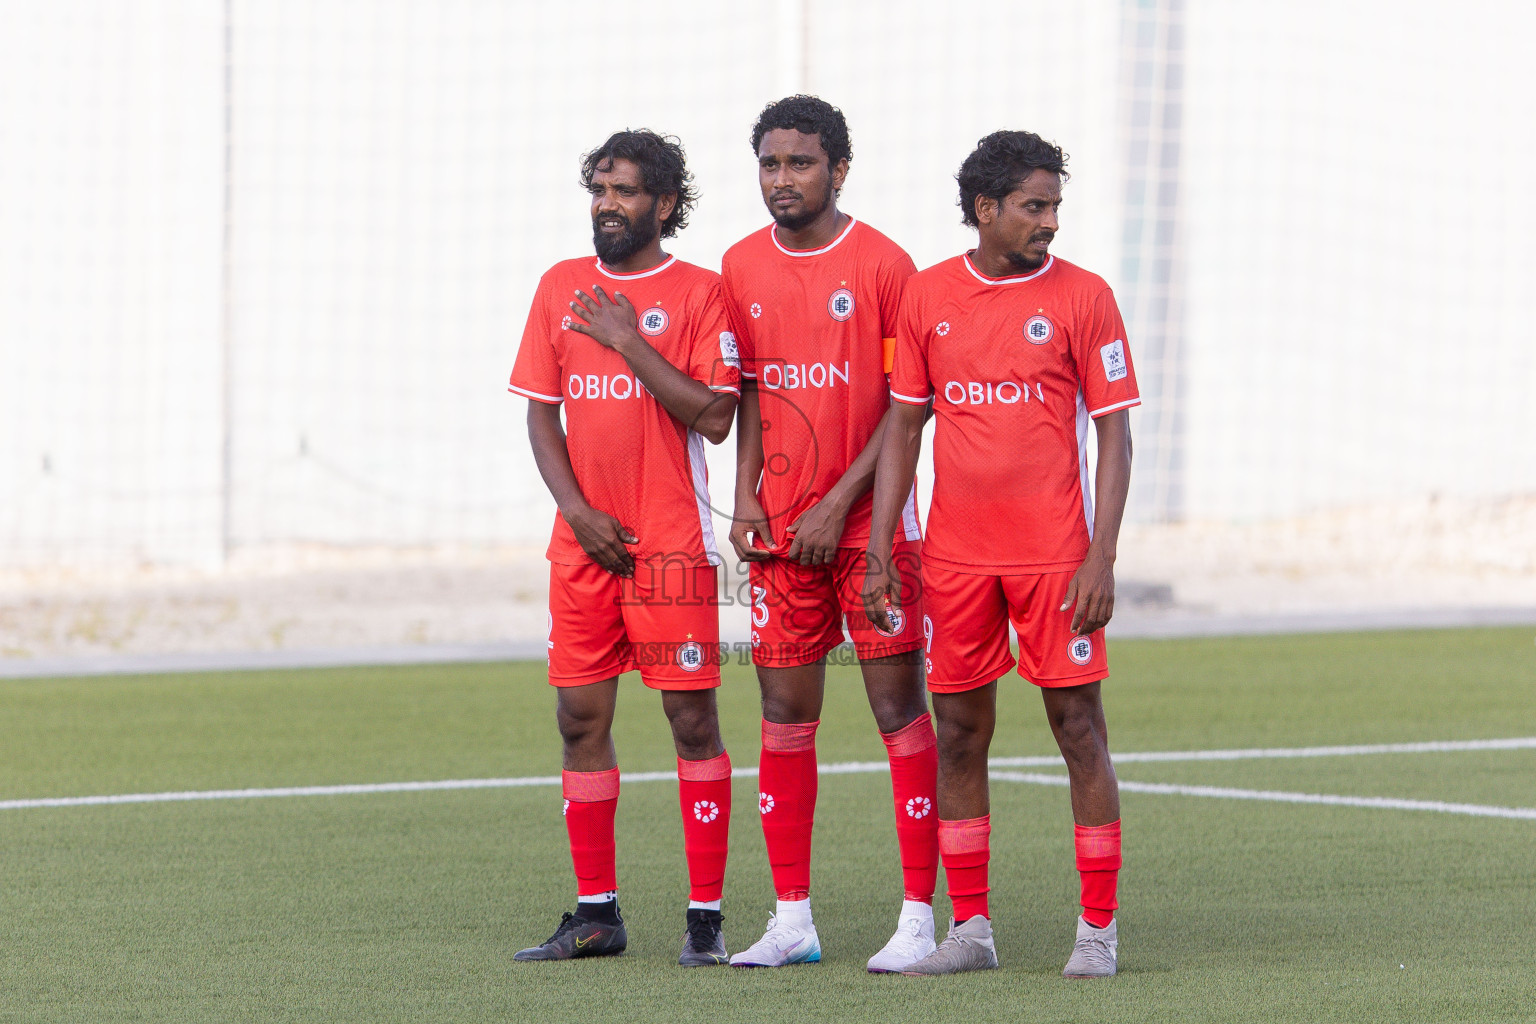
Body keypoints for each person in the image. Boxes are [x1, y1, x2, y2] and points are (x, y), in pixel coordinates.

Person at [863, 130, 1140, 978]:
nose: (1051, 221)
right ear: (985, 209)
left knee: (1077, 727)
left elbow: (1115, 436)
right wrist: (881, 547)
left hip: (1057, 559)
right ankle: (972, 930)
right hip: (954, 559)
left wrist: (1102, 557)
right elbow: (904, 428)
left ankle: (1097, 930)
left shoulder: (1085, 297)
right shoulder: (926, 296)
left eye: (1054, 205)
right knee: (958, 734)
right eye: (1034, 206)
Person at [507, 129, 741, 967]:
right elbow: (540, 410)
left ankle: (705, 921)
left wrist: (629, 340)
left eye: (627, 191)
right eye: (600, 189)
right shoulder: (559, 288)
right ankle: (596, 913)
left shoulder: (701, 293)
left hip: (669, 545)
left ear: (665, 205)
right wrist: (575, 511)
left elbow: (715, 416)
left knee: (690, 718)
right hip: (582, 547)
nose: (608, 204)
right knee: (578, 718)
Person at [721, 95, 939, 972]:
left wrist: (836, 507)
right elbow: (745, 395)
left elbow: (904, 409)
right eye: (770, 164)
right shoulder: (737, 266)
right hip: (779, 537)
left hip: (874, 534)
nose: (783, 180)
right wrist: (744, 500)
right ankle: (792, 920)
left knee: (897, 709)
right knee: (783, 715)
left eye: (800, 163)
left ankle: (919, 918)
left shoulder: (887, 266)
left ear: (838, 169)